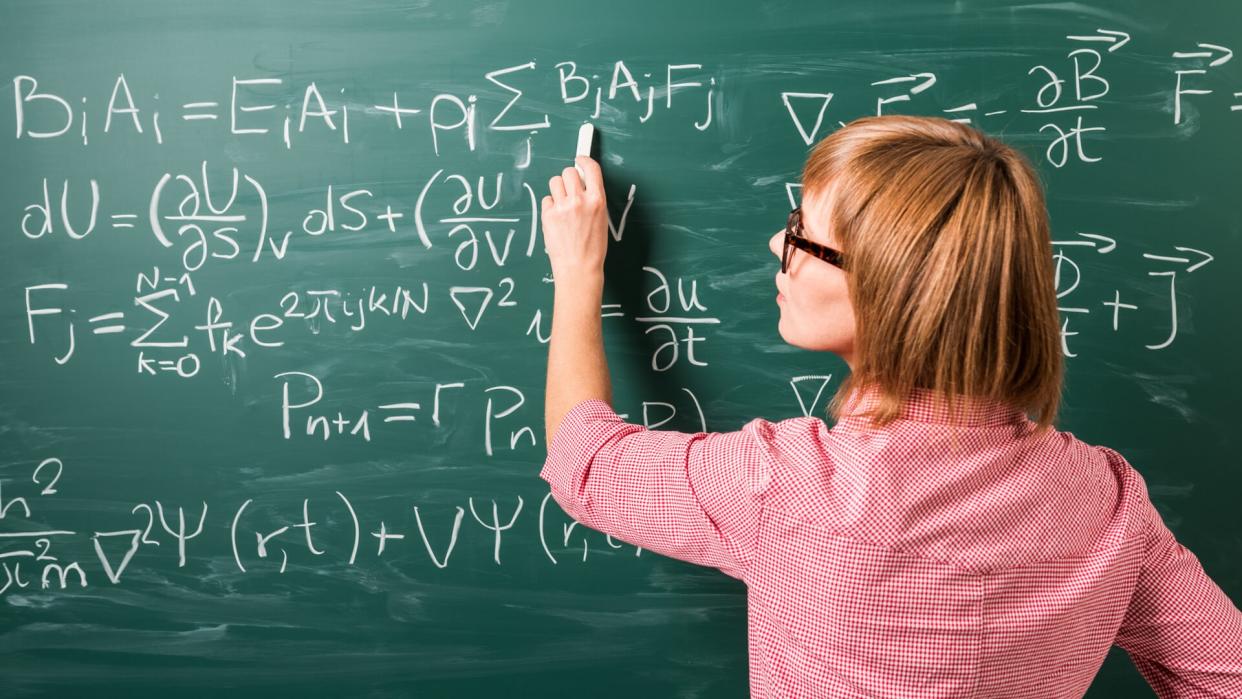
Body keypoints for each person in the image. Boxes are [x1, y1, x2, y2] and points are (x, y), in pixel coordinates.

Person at [537, 114, 1242, 698]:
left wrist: (578, 271)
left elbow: (585, 460)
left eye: (802, 233)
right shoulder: (1105, 500)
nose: (777, 244)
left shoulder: (785, 485)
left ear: (887, 289)